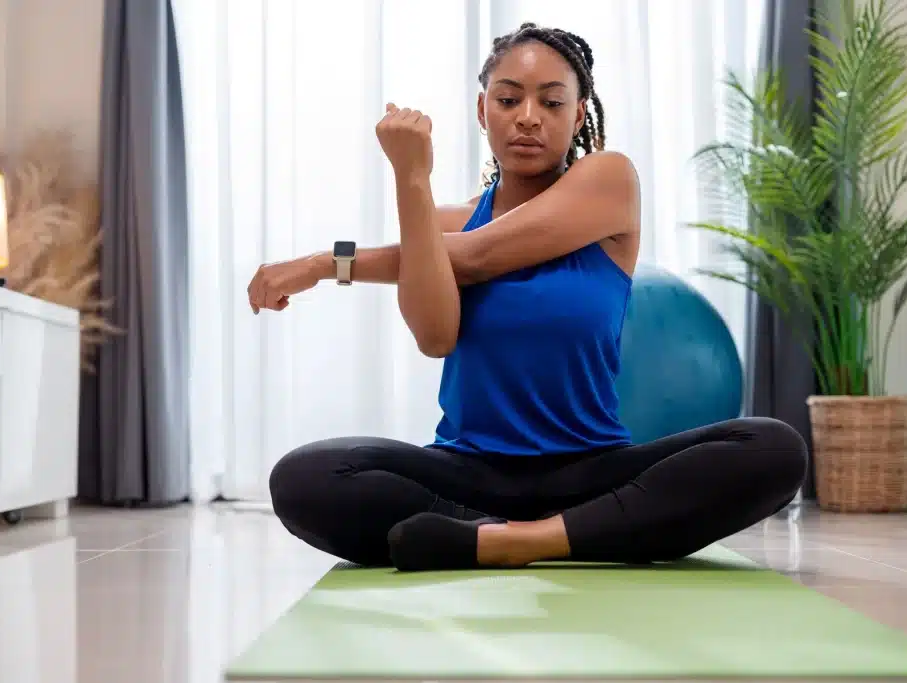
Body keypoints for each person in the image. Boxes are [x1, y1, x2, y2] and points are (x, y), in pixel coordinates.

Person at [250, 23, 808, 572]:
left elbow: (472, 256)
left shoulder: (609, 183)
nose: (528, 117)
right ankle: (559, 536)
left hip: (593, 470)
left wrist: (322, 265)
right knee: (305, 477)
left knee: (774, 448)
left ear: (580, 112)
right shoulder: (448, 224)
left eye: (552, 101)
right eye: (509, 98)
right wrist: (411, 181)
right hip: (469, 472)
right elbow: (435, 335)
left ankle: (513, 542)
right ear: (482, 110)